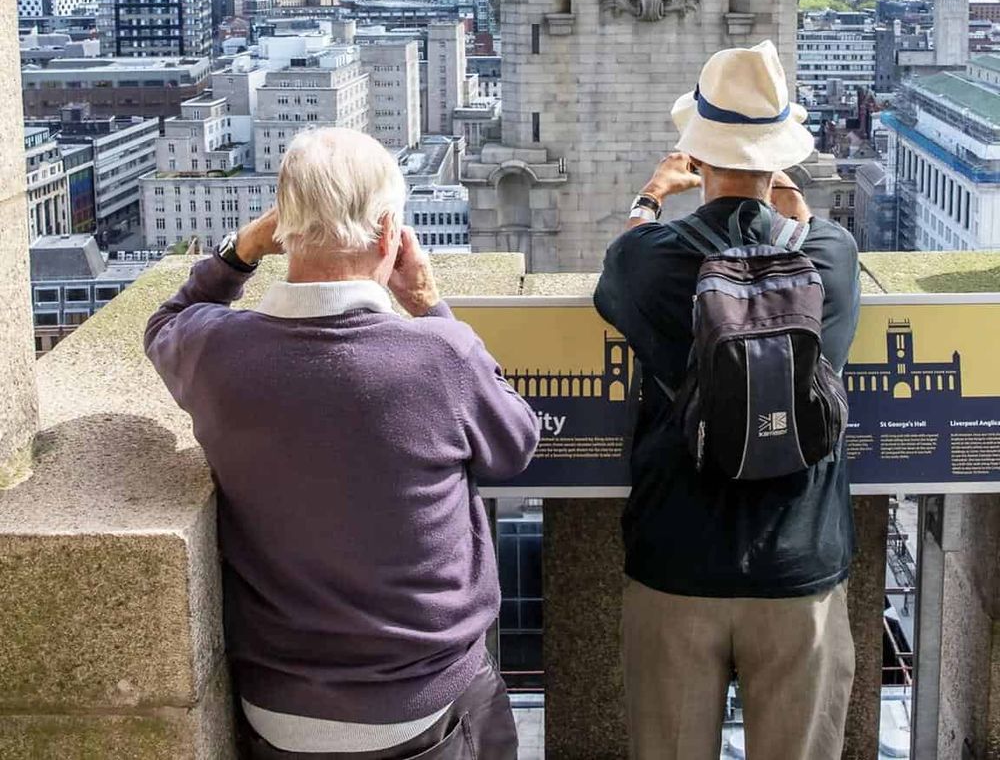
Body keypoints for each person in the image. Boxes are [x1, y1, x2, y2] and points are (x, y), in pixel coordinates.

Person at [145, 126, 539, 760]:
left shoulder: (215, 350)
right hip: (429, 696)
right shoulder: (439, 355)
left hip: (278, 706)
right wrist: (431, 307)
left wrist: (240, 251)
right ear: (391, 234)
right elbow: (516, 444)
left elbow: (164, 320)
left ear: (282, 232)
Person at [594, 40, 860, 760]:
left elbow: (617, 275)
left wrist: (651, 196)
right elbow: (819, 242)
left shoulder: (650, 262)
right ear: (779, 158)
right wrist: (796, 209)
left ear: (697, 154)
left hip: (676, 555)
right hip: (799, 560)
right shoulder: (830, 258)